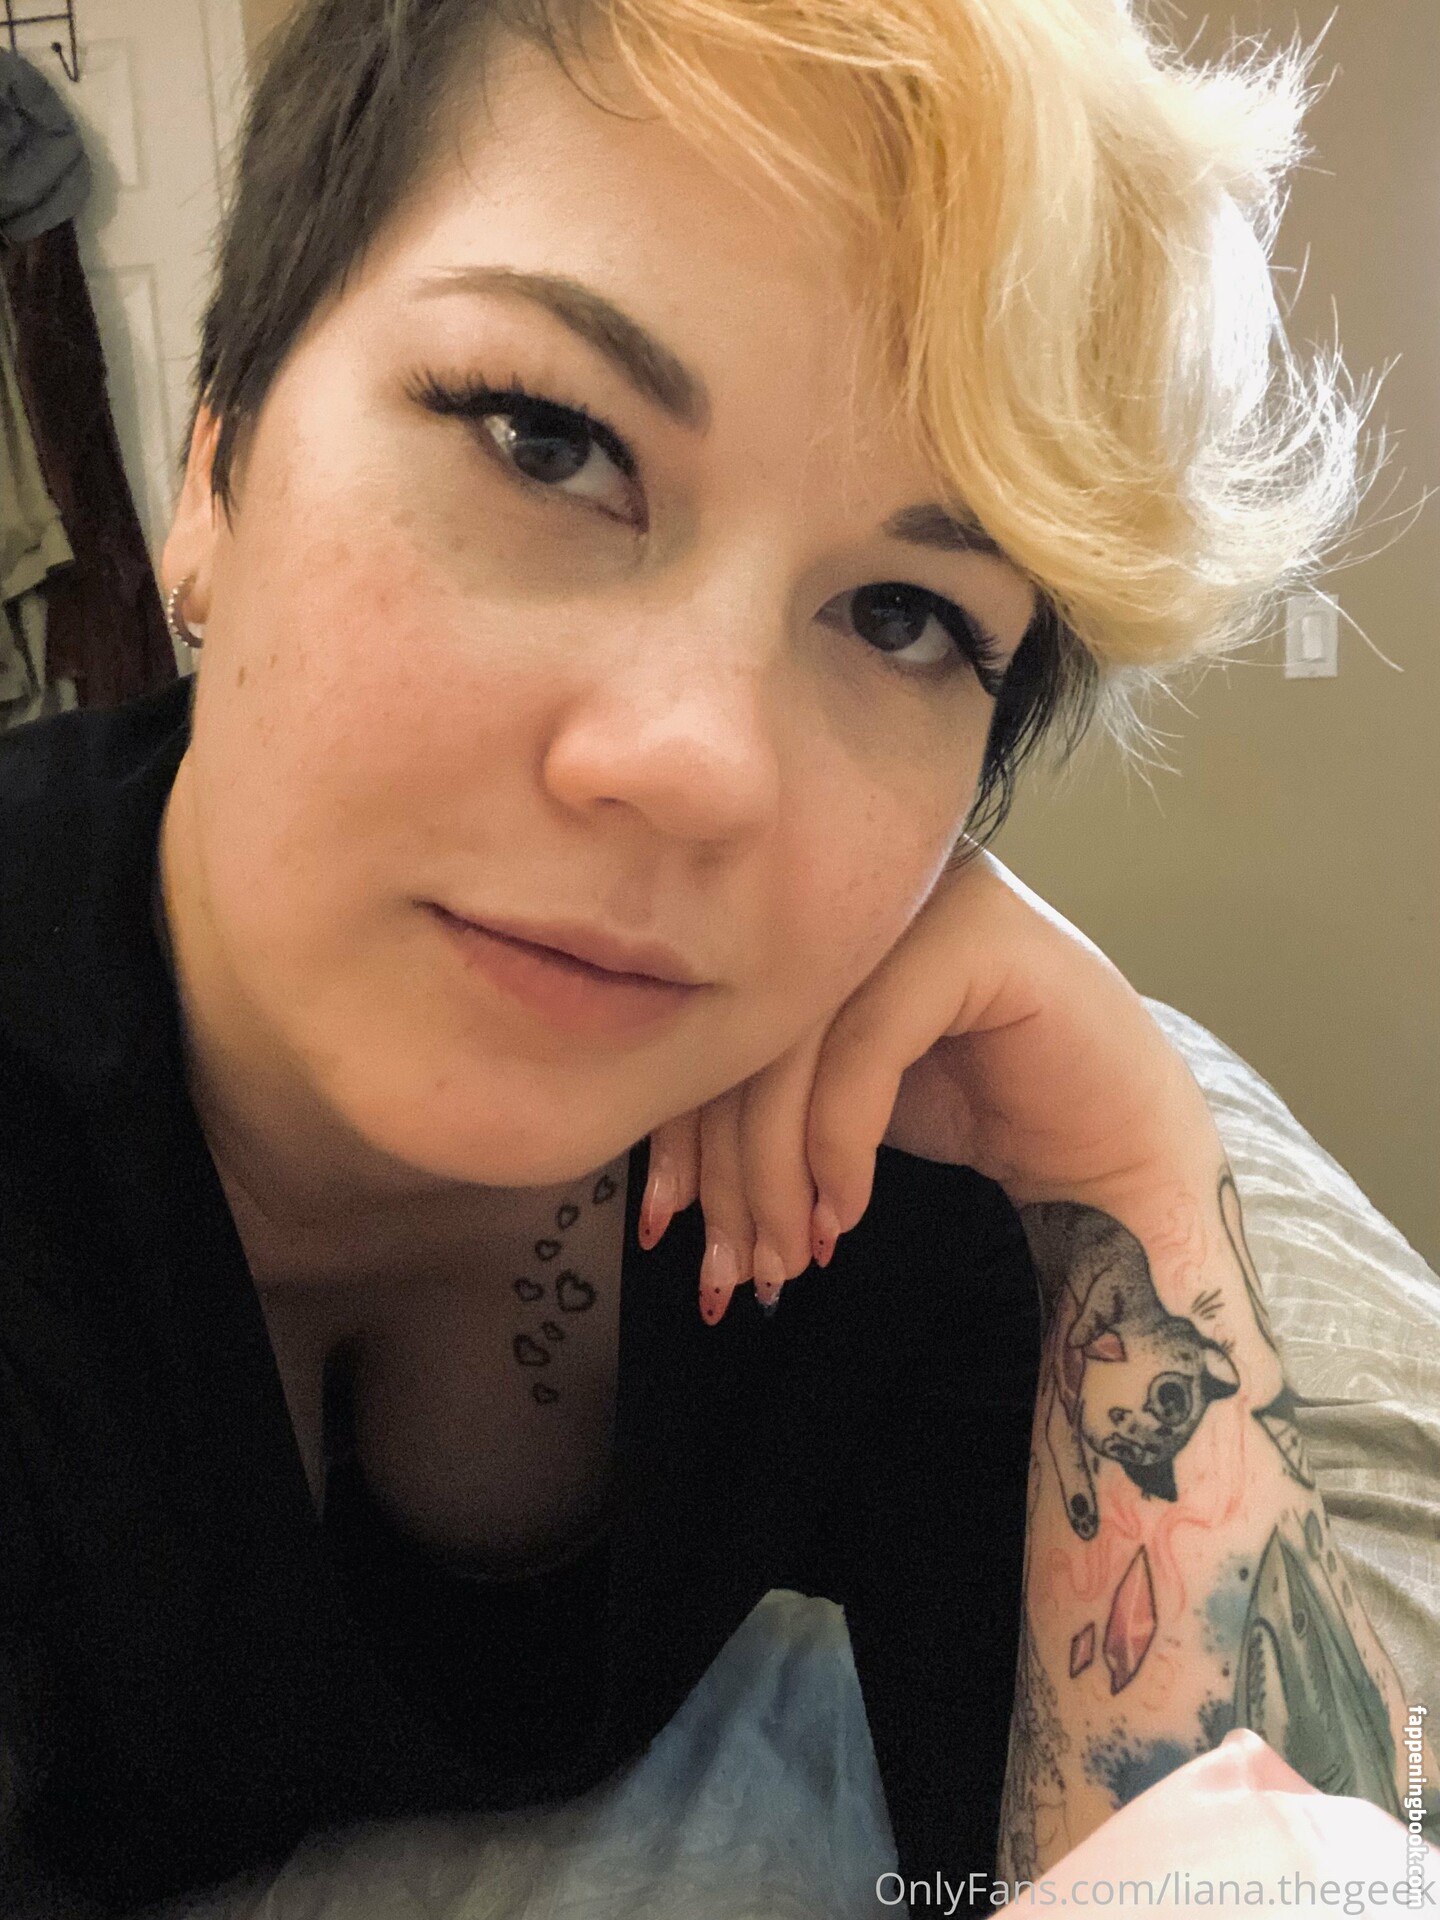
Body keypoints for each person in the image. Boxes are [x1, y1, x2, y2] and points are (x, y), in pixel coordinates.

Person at [0, 0, 1424, 1913]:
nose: (701, 765)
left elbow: (1232, 1863)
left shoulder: (887, 1181)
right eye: (547, 440)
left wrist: (1129, 1173)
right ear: (213, 473)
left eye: (905, 615)